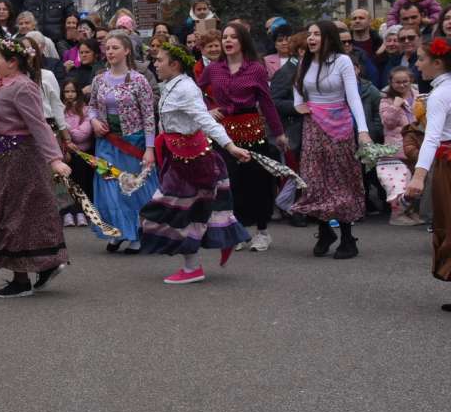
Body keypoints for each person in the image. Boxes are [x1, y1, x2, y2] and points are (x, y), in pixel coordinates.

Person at [139, 42, 253, 283]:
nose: (155, 64)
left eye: (159, 60)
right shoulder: (170, 85)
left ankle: (193, 268)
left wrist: (231, 146)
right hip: (177, 157)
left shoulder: (187, 89)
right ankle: (196, 263)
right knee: (187, 212)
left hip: (193, 162)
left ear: (175, 64)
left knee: (172, 211)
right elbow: (166, 124)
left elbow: (206, 121)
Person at [0, 37, 74, 297]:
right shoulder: (0, 85)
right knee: (10, 212)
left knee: (18, 215)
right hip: (2, 159)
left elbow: (39, 125)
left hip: (21, 158)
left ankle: (22, 279)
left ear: (12, 62)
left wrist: (54, 159)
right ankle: (45, 264)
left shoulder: (23, 87)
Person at [290, 20, 373, 258]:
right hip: (314, 126)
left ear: (328, 37)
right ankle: (325, 230)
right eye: (310, 34)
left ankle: (348, 238)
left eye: (317, 34)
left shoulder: (342, 61)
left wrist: (363, 130)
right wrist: (299, 105)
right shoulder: (306, 60)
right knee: (315, 179)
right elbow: (297, 85)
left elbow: (354, 97)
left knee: (341, 180)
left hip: (340, 127)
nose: (312, 38)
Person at [202, 20, 287, 252]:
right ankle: (239, 231)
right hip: (225, 133)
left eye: (233, 37)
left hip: (251, 129)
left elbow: (267, 103)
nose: (227, 41)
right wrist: (207, 109)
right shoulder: (213, 69)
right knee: (231, 183)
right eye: (225, 37)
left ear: (243, 42)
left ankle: (262, 232)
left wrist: (278, 132)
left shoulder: (256, 68)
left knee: (257, 182)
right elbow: (194, 92)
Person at [88, 34, 159, 253]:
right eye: (107, 48)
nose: (110, 52)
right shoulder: (99, 79)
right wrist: (94, 121)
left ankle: (136, 232)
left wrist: (149, 149)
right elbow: (90, 105)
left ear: (127, 51)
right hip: (107, 143)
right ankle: (119, 231)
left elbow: (149, 116)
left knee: (132, 189)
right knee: (109, 189)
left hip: (133, 143)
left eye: (115, 47)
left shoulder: (139, 80)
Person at [402, 34, 451, 300]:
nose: (417, 66)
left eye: (421, 60)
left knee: (448, 223)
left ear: (438, 62)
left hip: (448, 166)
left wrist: (418, 177)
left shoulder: (440, 94)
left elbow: (432, 137)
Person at [379, 67, 421, 225]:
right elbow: (388, 123)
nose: (402, 85)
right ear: (391, 82)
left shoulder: (418, 95)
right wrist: (395, 106)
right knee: (398, 183)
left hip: (416, 145)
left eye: (405, 81)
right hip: (396, 148)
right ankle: (397, 216)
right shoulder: (386, 99)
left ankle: (410, 212)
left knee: (414, 183)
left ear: (411, 81)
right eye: (397, 82)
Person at [61, 80, 96, 226]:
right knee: (66, 183)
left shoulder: (86, 110)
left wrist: (66, 129)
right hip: (64, 154)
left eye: (73, 91)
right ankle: (67, 212)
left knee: (81, 182)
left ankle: (81, 211)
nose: (70, 95)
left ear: (78, 93)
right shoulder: (59, 110)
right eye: (67, 91)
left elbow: (83, 135)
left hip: (83, 154)